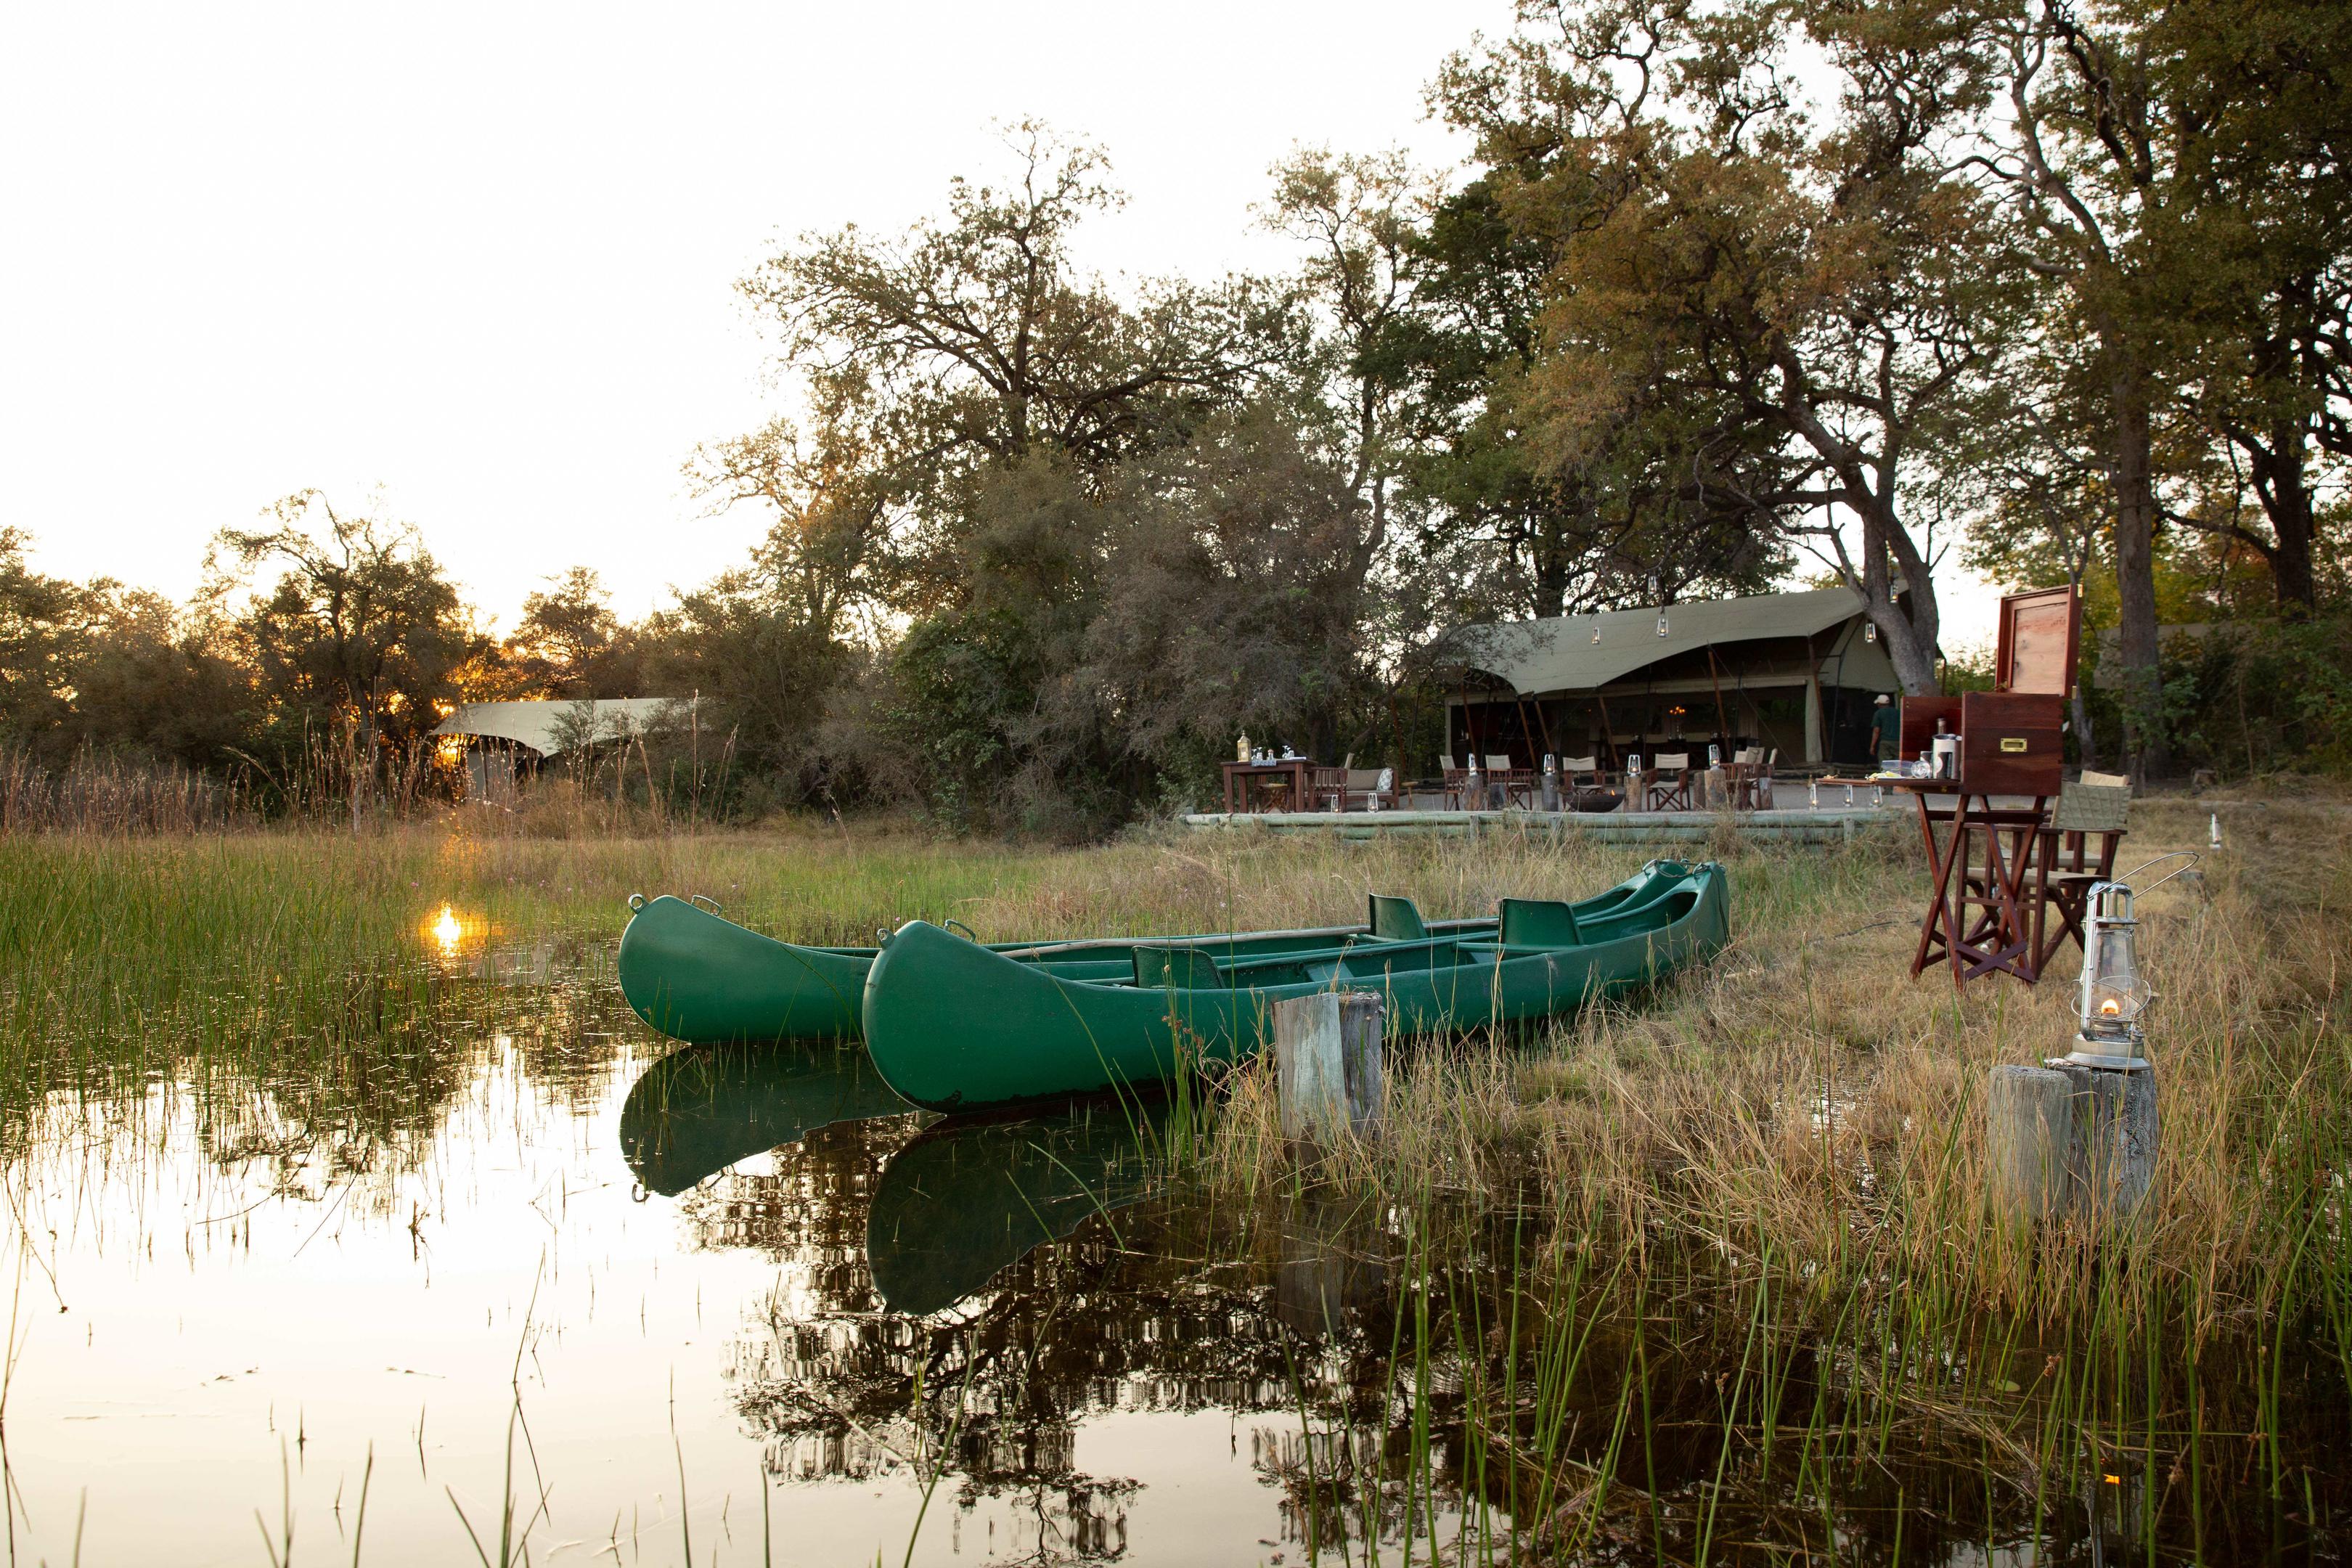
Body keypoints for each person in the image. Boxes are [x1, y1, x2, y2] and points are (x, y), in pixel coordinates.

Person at [1869, 693, 1902, 763]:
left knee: (1885, 763)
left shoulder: (1878, 713)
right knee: (1898, 763)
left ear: (1879, 704)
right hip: (1898, 742)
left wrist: (1872, 746)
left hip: (1885, 742)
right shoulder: (1898, 712)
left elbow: (1876, 731)